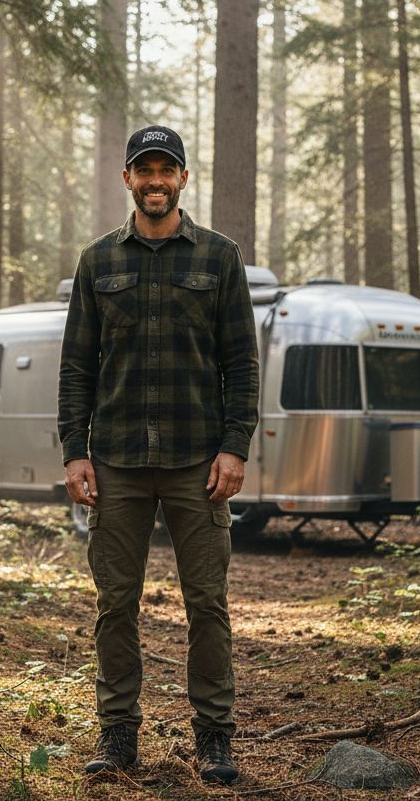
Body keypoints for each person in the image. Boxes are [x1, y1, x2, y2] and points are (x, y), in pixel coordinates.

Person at [57, 125, 259, 784]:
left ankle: (214, 739)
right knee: (116, 601)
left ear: (182, 179)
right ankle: (117, 736)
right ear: (126, 180)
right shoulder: (98, 263)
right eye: (142, 169)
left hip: (196, 465)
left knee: (207, 600)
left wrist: (234, 448)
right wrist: (74, 453)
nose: (154, 180)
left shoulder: (220, 258)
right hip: (114, 460)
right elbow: (76, 368)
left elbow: (241, 364)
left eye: (164, 169)